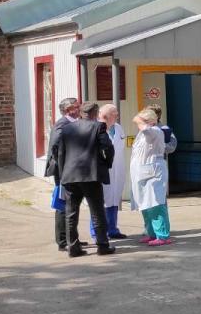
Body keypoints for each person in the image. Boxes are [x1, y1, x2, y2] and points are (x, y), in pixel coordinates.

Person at [54, 101, 116, 257]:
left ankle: (73, 248)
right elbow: (108, 147)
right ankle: (102, 246)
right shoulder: (98, 126)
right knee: (97, 211)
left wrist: (62, 174)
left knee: (71, 213)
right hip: (91, 175)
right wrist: (106, 164)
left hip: (70, 175)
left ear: (81, 113)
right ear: (95, 113)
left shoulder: (67, 128)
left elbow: (60, 153)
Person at [129, 108, 171, 246]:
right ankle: (151, 233)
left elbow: (145, 129)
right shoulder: (142, 134)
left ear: (151, 121)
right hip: (141, 173)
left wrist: (139, 119)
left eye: (144, 121)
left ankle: (162, 235)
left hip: (153, 173)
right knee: (144, 205)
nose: (139, 124)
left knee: (155, 204)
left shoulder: (155, 131)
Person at [44, 97, 81, 251]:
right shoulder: (62, 124)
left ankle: (72, 238)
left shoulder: (74, 123)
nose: (78, 109)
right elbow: (55, 147)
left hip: (71, 170)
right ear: (67, 110)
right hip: (63, 171)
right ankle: (63, 241)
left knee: (72, 205)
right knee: (63, 205)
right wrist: (63, 167)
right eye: (75, 107)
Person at [91, 104, 128, 240]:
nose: (117, 116)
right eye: (114, 114)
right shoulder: (95, 128)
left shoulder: (118, 128)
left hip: (117, 170)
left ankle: (112, 229)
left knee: (114, 200)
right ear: (105, 116)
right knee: (99, 203)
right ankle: (97, 232)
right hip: (102, 170)